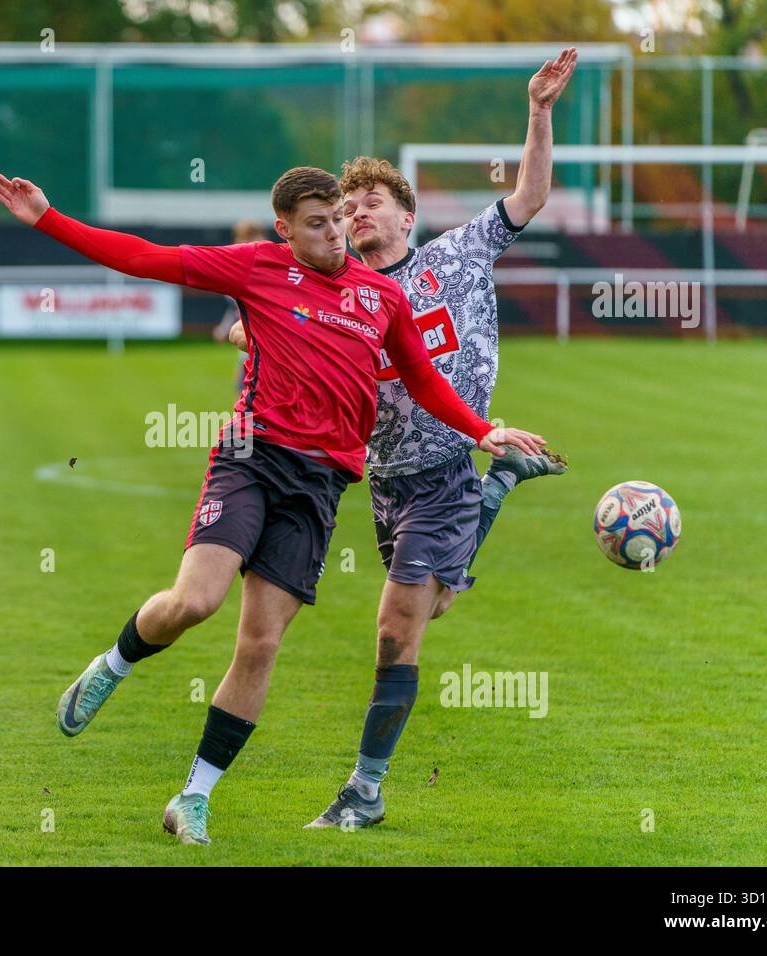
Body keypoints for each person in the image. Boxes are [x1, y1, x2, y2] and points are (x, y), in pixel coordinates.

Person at [0, 166, 547, 845]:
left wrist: (483, 431)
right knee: (195, 603)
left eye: (340, 219)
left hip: (318, 488)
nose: (336, 233)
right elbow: (143, 257)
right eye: (319, 224)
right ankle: (114, 664)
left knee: (260, 646)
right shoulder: (256, 268)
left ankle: (192, 798)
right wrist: (49, 218)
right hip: (251, 462)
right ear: (285, 230)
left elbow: (424, 379)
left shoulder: (381, 297)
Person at [237, 48, 579, 830]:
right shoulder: (338, 288)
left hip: (449, 467)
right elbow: (265, 316)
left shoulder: (458, 255)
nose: (355, 212)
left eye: (370, 201)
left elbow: (530, 193)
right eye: (347, 204)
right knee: (429, 613)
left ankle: (364, 792)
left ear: (406, 213)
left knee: (395, 629)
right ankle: (505, 486)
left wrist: (538, 111)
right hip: (384, 481)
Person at [212, 220, 268, 396]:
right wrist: (223, 328)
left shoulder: (270, 268)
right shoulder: (236, 273)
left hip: (269, 345)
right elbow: (234, 309)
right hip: (248, 347)